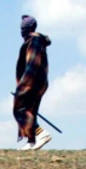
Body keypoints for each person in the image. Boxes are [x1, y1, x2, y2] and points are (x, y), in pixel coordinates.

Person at [14, 15, 53, 151]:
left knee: (19, 109)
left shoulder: (34, 40)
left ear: (26, 29)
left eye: (22, 29)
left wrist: (23, 85)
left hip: (33, 81)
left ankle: (40, 133)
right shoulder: (37, 40)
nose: (21, 32)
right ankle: (31, 140)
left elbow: (32, 64)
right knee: (31, 110)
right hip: (39, 81)